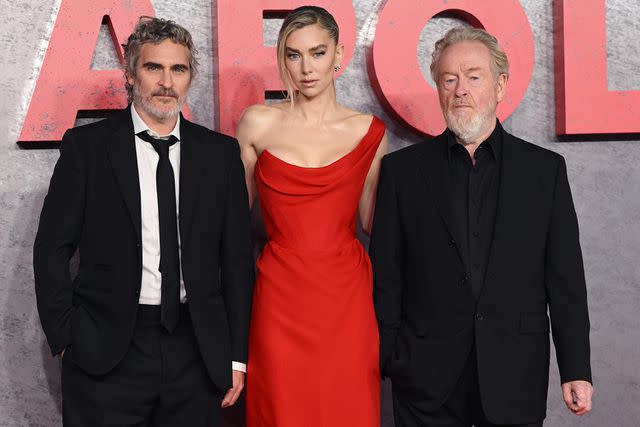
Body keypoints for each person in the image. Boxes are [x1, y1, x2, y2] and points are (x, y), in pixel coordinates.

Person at [33, 17, 254, 426]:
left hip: (197, 351)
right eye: (154, 67)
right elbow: (51, 247)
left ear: (190, 77)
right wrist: (66, 337)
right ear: (131, 74)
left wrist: (236, 356)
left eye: (179, 69)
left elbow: (237, 263)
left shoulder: (220, 155)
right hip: (106, 350)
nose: (166, 82)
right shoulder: (88, 148)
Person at [370, 27, 593, 427]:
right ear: (438, 89)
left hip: (514, 372)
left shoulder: (544, 172)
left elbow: (566, 280)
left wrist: (575, 367)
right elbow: (387, 272)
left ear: (500, 84)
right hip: (424, 377)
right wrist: (391, 356)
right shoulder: (402, 173)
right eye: (448, 79)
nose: (460, 90)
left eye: (474, 77)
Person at [235, 6, 387, 426]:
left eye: (318, 53)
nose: (306, 68)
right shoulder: (256, 124)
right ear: (281, 59)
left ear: (339, 55)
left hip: (347, 302)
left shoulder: (370, 132)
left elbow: (376, 224)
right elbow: (229, 228)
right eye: (293, 55)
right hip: (279, 300)